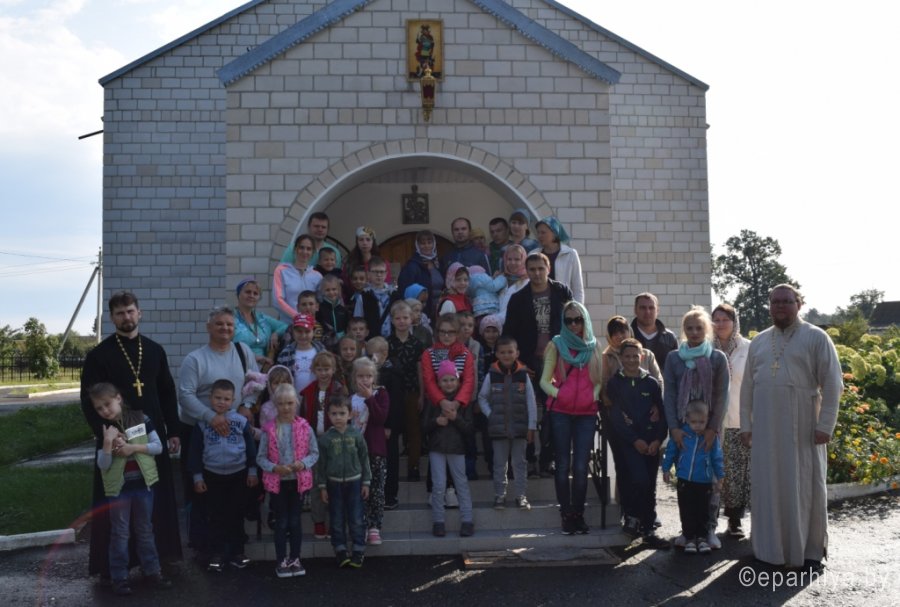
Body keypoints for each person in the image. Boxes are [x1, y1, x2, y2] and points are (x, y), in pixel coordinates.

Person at [80, 291, 182, 580]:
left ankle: (158, 559)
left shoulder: (154, 350)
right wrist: (106, 435)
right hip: (116, 438)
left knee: (154, 499)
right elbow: (89, 401)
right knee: (117, 505)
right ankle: (114, 567)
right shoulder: (99, 355)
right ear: (112, 318)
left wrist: (173, 430)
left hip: (150, 431)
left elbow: (167, 392)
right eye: (120, 313)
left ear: (139, 313)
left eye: (130, 311)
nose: (126, 317)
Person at [740, 284, 842, 570]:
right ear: (769, 306)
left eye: (787, 301)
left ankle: (808, 552)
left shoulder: (816, 337)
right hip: (765, 427)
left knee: (803, 485)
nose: (780, 306)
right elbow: (747, 387)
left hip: (803, 426)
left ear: (799, 304)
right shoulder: (759, 341)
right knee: (768, 485)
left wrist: (826, 425)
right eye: (775, 302)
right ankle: (768, 549)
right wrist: (746, 425)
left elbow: (833, 383)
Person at [177, 306, 259, 551]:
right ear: (208, 327)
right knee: (201, 492)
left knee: (233, 493)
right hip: (199, 433)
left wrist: (246, 405)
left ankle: (233, 546)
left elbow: (255, 384)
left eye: (229, 324)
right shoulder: (195, 359)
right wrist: (211, 417)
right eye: (219, 324)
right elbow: (185, 395)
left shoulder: (243, 352)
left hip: (234, 434)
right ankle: (203, 547)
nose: (225, 328)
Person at [88, 382, 172, 596]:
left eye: (107, 404)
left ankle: (152, 571)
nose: (104, 410)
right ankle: (119, 577)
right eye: (99, 408)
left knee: (145, 530)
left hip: (143, 485)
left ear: (118, 398)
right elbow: (103, 465)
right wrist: (108, 443)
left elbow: (158, 447)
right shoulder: (105, 429)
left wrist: (131, 448)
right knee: (120, 533)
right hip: (119, 490)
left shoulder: (141, 419)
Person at [662, 306, 729, 550]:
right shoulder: (674, 358)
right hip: (684, 429)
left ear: (707, 329)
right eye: (689, 328)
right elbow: (669, 394)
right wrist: (674, 428)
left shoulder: (717, 358)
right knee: (687, 484)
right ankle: (688, 531)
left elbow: (722, 396)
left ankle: (709, 529)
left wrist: (713, 428)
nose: (694, 332)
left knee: (709, 480)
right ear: (683, 330)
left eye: (699, 328)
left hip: (710, 427)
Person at [503, 252, 573, 477]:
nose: (536, 273)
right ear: (526, 271)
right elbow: (509, 333)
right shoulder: (518, 298)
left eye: (540, 268)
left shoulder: (562, 292)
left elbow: (574, 324)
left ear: (548, 269)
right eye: (532, 269)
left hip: (557, 359)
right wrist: (518, 363)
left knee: (553, 410)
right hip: (528, 361)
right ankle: (528, 459)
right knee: (526, 412)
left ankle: (548, 459)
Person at [540, 300, 603, 534]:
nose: (574, 325)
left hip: (586, 414)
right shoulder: (556, 345)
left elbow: (599, 380)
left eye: (578, 319)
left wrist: (590, 398)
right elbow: (544, 381)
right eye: (569, 321)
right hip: (561, 413)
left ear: (585, 320)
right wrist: (562, 395)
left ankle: (578, 514)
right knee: (563, 464)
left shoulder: (594, 347)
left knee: (580, 466)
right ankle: (566, 514)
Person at [188, 379, 258, 572]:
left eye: (226, 399)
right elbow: (195, 452)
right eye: (218, 398)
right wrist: (197, 477)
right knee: (215, 516)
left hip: (238, 475)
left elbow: (251, 448)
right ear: (210, 398)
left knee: (236, 515)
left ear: (233, 400)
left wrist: (252, 471)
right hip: (212, 475)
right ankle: (216, 554)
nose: (221, 402)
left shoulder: (241, 421)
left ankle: (237, 553)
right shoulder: (202, 423)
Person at [606, 338, 669, 548]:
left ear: (642, 357)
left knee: (649, 484)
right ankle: (632, 517)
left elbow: (662, 414)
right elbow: (616, 417)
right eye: (627, 356)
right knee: (633, 480)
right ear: (621, 358)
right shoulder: (615, 383)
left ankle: (648, 528)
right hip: (628, 443)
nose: (632, 360)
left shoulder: (651, 383)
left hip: (651, 444)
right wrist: (634, 440)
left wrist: (658, 439)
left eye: (635, 356)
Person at [257, 383, 319, 578]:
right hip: (278, 484)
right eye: (281, 403)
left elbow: (314, 453)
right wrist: (275, 468)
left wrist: (302, 463)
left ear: (297, 403)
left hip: (298, 482)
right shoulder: (268, 429)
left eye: (290, 403)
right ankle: (281, 560)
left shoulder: (305, 427)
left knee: (295, 521)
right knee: (282, 521)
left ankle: (295, 558)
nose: (285, 407)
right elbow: (260, 458)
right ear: (275, 404)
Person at [477, 336, 536, 511]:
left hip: (520, 427)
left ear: (517, 353)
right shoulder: (491, 375)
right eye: (502, 352)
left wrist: (532, 425)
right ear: (497, 354)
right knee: (499, 464)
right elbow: (482, 398)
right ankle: (500, 495)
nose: (507, 355)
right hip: (499, 428)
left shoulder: (524, 376)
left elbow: (531, 401)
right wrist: (491, 415)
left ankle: (521, 496)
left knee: (520, 463)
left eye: (510, 352)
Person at [662, 400, 725, 555]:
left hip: (704, 481)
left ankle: (702, 539)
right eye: (694, 422)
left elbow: (717, 458)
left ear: (707, 420)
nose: (697, 425)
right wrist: (666, 469)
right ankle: (689, 538)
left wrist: (720, 477)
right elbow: (671, 451)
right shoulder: (682, 434)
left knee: (703, 511)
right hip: (684, 480)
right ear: (687, 419)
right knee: (686, 510)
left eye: (702, 422)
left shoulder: (711, 437)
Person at [711, 303, 752, 537]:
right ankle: (708, 520)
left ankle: (734, 520)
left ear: (734, 321)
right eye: (716, 319)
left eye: (725, 319)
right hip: (712, 421)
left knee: (736, 473)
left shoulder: (749, 348)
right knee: (714, 471)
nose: (720, 324)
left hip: (739, 418)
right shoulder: (706, 347)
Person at [317, 395, 372, 568]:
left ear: (350, 414)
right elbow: (321, 465)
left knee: (356, 517)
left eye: (342, 413)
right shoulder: (325, 439)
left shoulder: (356, 435)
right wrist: (322, 487)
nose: (338, 417)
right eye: (334, 414)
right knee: (337, 518)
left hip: (355, 483)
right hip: (333, 484)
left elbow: (364, 459)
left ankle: (358, 549)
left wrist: (366, 482)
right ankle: (340, 549)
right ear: (328, 415)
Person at [423, 359, 475, 538]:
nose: (449, 383)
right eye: (444, 380)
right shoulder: (432, 401)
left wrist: (456, 418)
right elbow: (423, 426)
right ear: (438, 382)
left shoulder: (463, 402)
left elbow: (469, 429)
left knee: (461, 484)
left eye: (452, 379)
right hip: (436, 448)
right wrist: (436, 422)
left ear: (458, 381)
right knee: (438, 485)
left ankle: (467, 520)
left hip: (457, 448)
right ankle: (438, 521)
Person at [298, 351, 347, 540]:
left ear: (333, 369)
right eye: (319, 369)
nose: (323, 373)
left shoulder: (340, 389)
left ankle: (336, 522)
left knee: (335, 482)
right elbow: (303, 418)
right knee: (318, 482)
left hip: (335, 440)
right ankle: (318, 522)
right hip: (314, 442)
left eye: (327, 369)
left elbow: (345, 415)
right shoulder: (309, 391)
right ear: (313, 370)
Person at [350, 356, 389, 546]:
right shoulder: (350, 398)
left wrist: (370, 399)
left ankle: (375, 526)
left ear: (374, 377)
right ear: (354, 378)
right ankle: (362, 525)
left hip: (375, 451)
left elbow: (380, 418)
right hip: (355, 452)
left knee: (376, 490)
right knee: (359, 490)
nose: (365, 380)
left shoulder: (381, 394)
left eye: (368, 376)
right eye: (360, 376)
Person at [386, 301, 426, 483]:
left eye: (405, 317)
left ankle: (413, 466)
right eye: (398, 318)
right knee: (392, 430)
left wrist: (422, 395)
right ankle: (390, 466)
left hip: (411, 390)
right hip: (391, 393)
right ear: (392, 320)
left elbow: (420, 371)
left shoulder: (417, 344)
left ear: (412, 319)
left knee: (413, 429)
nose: (402, 321)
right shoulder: (387, 343)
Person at [233, 278, 287, 372]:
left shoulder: (262, 318)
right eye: (248, 292)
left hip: (263, 368)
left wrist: (276, 334)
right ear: (238, 294)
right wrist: (253, 357)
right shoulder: (229, 318)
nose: (251, 296)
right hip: (238, 365)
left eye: (255, 293)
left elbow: (286, 326)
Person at [273, 235, 323, 322]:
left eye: (308, 249)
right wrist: (298, 317)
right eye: (301, 247)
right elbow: (277, 300)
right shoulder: (281, 271)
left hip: (310, 326)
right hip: (288, 324)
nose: (305, 251)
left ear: (313, 252)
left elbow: (321, 301)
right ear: (295, 249)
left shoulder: (317, 276)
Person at [397, 230, 444, 322]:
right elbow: (404, 291)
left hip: (439, 311)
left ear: (434, 244)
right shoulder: (411, 266)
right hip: (421, 312)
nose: (426, 246)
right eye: (422, 243)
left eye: (429, 242)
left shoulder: (438, 264)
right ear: (417, 245)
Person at [535, 216, 584, 303]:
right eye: (538, 232)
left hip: (564, 305)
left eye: (543, 232)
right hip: (540, 305)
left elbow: (577, 288)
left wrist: (578, 308)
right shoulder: (533, 254)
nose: (539, 236)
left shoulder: (570, 254)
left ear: (554, 233)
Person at [631, 293, 679, 371]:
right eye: (643, 308)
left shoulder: (669, 338)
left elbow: (676, 368)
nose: (647, 312)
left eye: (651, 308)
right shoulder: (627, 336)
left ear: (657, 311)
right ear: (635, 310)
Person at [352, 256, 395, 337]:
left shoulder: (393, 294)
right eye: (375, 272)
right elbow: (358, 320)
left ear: (386, 273)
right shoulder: (363, 296)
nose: (379, 275)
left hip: (392, 339)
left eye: (382, 272)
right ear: (368, 274)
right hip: (372, 339)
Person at [496, 243, 529, 325]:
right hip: (495, 327)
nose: (512, 263)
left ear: (523, 260)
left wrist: (496, 319)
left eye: (517, 259)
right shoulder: (499, 279)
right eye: (509, 259)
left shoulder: (528, 282)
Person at [317, 274, 349, 351]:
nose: (331, 292)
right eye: (327, 290)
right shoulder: (319, 309)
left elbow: (346, 327)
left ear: (339, 290)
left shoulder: (343, 309)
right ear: (322, 291)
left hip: (342, 344)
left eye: (334, 289)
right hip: (325, 344)